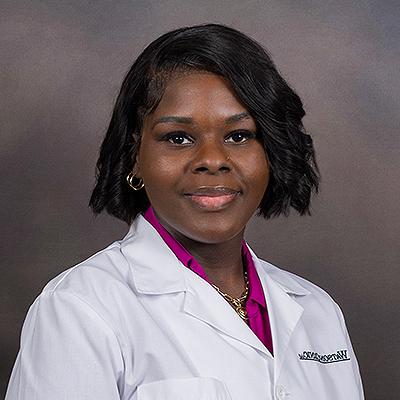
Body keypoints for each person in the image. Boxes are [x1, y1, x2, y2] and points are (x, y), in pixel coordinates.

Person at [6, 24, 364, 400]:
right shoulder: (79, 308)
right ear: (135, 156)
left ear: (271, 152)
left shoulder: (319, 312)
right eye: (178, 138)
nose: (212, 160)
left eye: (238, 136)